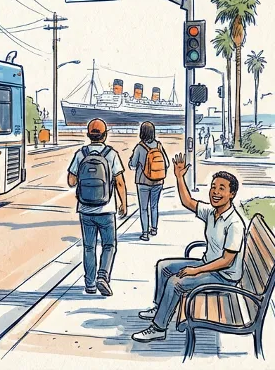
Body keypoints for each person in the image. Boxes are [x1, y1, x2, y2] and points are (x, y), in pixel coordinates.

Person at [131, 155, 246, 342]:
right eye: (213, 187)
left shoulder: (234, 224)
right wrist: (179, 176)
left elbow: (227, 260)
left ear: (232, 194)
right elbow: (188, 202)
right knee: (164, 267)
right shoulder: (212, 212)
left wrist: (196, 270)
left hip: (224, 277)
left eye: (221, 189)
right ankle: (160, 307)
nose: (215, 192)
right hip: (208, 265)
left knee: (176, 282)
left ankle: (159, 327)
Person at [67, 118, 128, 296]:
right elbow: (120, 183)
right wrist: (123, 203)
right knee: (109, 245)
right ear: (105, 135)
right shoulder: (111, 154)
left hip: (85, 209)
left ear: (88, 135)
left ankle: (90, 284)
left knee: (88, 247)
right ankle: (103, 275)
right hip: (106, 209)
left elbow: (71, 181)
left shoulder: (81, 154)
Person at [128, 122, 169, 241]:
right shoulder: (159, 146)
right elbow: (166, 163)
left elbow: (133, 164)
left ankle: (145, 233)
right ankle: (154, 229)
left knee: (144, 208)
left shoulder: (139, 147)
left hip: (143, 182)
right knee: (154, 206)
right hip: (158, 182)